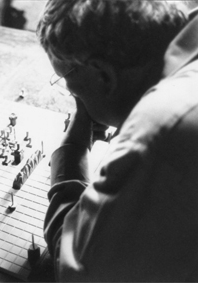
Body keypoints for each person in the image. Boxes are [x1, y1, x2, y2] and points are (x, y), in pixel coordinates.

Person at [37, 0, 198, 281]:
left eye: (70, 84)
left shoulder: (159, 130)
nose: (74, 95)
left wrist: (71, 153)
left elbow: (81, 269)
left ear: (103, 75)